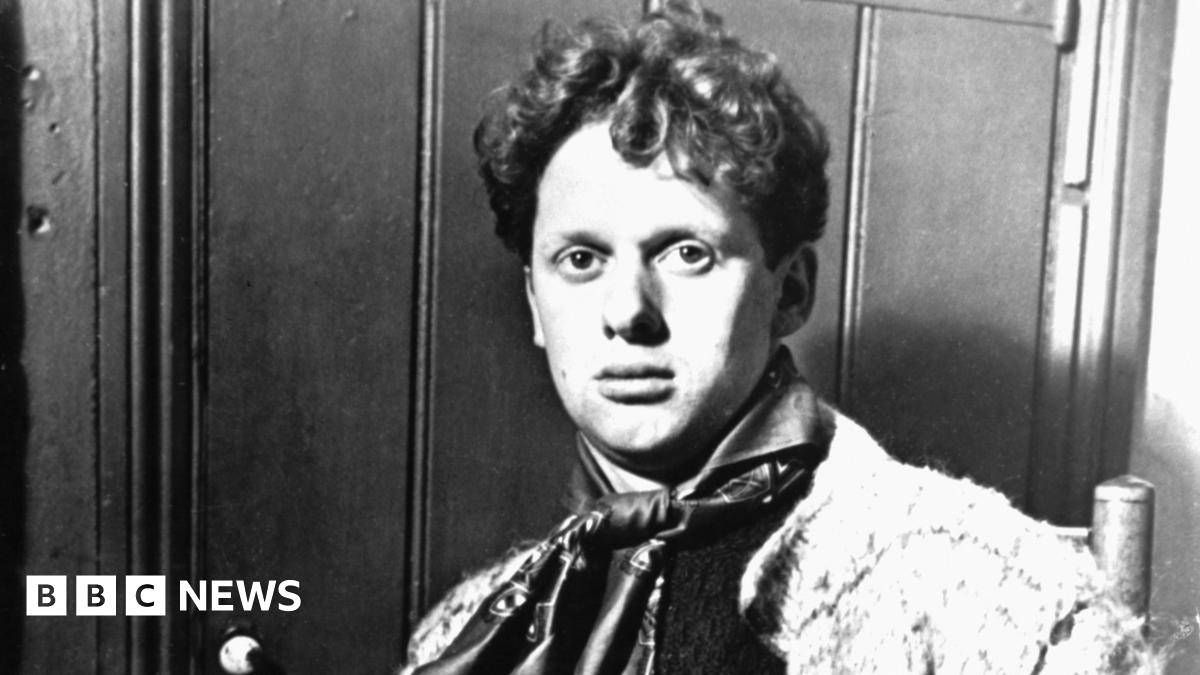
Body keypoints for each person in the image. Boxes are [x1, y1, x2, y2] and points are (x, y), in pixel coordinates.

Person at [401, 2, 1161, 672]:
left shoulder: (988, 588)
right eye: (580, 260)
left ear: (791, 289)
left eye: (687, 253)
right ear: (535, 303)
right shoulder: (460, 638)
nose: (627, 310)